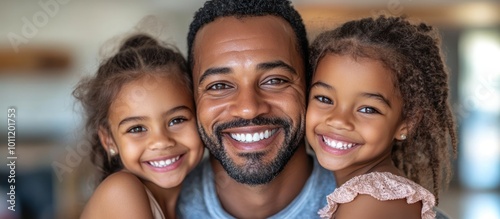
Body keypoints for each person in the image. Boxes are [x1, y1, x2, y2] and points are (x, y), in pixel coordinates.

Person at [176, 0, 336, 218]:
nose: (249, 109)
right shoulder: (155, 203)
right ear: (191, 97)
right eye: (219, 86)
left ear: (309, 84)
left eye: (275, 80)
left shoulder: (365, 203)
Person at [306, 16, 458, 219]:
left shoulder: (372, 202)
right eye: (324, 98)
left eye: (368, 109)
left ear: (406, 123)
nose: (339, 120)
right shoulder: (370, 196)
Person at [75, 34, 204, 219]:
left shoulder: (197, 195)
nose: (161, 142)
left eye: (177, 120)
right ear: (109, 140)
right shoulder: (121, 191)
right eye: (136, 129)